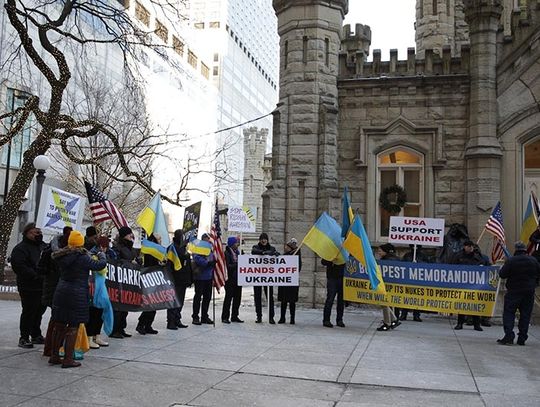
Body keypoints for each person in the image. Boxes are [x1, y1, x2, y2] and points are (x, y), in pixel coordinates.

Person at [48, 230, 107, 368]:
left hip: (61, 291)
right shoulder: (83, 257)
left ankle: (54, 355)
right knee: (73, 326)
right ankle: (68, 359)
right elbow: (99, 265)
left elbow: (54, 247)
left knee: (59, 325)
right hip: (77, 293)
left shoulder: (62, 255)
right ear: (81, 244)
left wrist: (56, 238)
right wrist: (102, 255)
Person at [10, 223, 47, 349]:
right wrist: (34, 275)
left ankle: (36, 334)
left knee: (39, 311)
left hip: (42, 285)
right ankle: (24, 337)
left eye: (39, 232)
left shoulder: (43, 247)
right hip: (29, 286)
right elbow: (19, 266)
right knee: (29, 311)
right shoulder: (21, 249)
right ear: (27, 233)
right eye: (35, 232)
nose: (38, 235)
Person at [497, 241, 540, 345]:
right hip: (529, 292)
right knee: (525, 315)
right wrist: (534, 284)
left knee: (509, 313)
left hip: (514, 291)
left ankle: (509, 336)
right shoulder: (533, 261)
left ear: (516, 249)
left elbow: (502, 274)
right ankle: (522, 338)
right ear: (525, 249)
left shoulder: (512, 261)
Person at [38, 226, 72, 356]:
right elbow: (41, 268)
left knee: (58, 319)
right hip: (53, 286)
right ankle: (51, 349)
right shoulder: (50, 251)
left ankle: (53, 348)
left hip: (60, 286)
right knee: (57, 320)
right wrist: (52, 274)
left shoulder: (69, 251)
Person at [85, 235, 114, 348]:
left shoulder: (103, 254)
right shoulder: (92, 255)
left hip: (101, 286)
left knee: (100, 311)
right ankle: (89, 336)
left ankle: (97, 335)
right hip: (94, 286)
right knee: (93, 312)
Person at [110, 226, 138, 339]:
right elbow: (116, 262)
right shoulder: (117, 247)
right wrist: (129, 262)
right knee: (118, 307)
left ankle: (121, 328)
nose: (131, 236)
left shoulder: (130, 247)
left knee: (126, 306)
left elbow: (133, 258)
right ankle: (114, 329)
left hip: (129, 280)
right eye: (129, 234)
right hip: (119, 280)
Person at [451, 239, 484, 331]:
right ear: (464, 247)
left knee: (475, 305)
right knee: (462, 304)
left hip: (474, 285)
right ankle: (460, 323)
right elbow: (453, 268)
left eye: (471, 246)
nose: (470, 248)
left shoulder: (477, 256)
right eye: (468, 246)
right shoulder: (458, 256)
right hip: (462, 284)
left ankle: (477, 324)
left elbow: (483, 265)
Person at [136, 234, 161, 335]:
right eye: (159, 239)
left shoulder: (157, 251)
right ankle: (141, 324)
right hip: (149, 279)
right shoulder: (150, 251)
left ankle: (148, 325)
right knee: (150, 304)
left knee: (154, 304)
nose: (160, 240)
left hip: (156, 279)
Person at [167, 229, 192, 329]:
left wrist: (190, 279)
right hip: (175, 279)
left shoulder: (184, 248)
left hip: (183, 279)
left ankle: (177, 319)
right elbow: (170, 265)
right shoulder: (172, 248)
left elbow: (188, 265)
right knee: (174, 301)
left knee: (180, 302)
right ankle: (171, 321)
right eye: (182, 236)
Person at [252, 233, 278, 324]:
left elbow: (275, 255)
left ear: (267, 240)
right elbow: (254, 251)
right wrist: (264, 253)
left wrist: (275, 254)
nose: (263, 241)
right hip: (257, 277)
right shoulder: (255, 247)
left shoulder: (272, 248)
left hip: (268, 277)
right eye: (262, 239)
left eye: (265, 239)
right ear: (260, 240)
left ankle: (271, 317)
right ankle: (259, 316)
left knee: (270, 298)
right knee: (257, 297)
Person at [397, 244, 428, 322]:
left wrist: (418, 263)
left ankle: (416, 315)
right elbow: (402, 265)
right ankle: (404, 314)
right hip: (408, 279)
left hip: (418, 280)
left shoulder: (423, 256)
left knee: (417, 298)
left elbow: (428, 266)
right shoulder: (407, 255)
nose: (415, 249)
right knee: (406, 297)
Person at [375, 243, 401, 331]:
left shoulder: (385, 261)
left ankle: (387, 323)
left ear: (385, 252)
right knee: (387, 303)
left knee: (384, 303)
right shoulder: (397, 259)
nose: (378, 253)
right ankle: (393, 320)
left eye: (380, 251)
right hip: (394, 284)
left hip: (386, 285)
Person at [192, 233, 215, 325]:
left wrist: (213, 261)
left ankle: (204, 316)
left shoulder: (210, 248)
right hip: (200, 276)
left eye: (208, 239)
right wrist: (206, 263)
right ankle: (195, 316)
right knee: (198, 297)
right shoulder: (198, 248)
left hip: (208, 276)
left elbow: (212, 257)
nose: (208, 240)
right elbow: (196, 257)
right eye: (206, 239)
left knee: (207, 297)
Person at [278, 238, 301, 324]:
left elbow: (298, 267)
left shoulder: (296, 256)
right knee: (283, 301)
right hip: (284, 281)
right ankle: (282, 318)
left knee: (292, 301)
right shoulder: (284, 256)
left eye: (287, 246)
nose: (285, 247)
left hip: (292, 281)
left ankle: (292, 318)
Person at [221, 236, 243, 323]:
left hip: (238, 279)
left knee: (237, 299)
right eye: (235, 243)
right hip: (230, 279)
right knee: (228, 298)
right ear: (231, 244)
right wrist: (237, 264)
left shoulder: (238, 252)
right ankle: (225, 316)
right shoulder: (227, 253)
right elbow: (228, 266)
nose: (237, 245)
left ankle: (235, 316)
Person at [321, 258, 345, 328]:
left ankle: (339, 320)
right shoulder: (330, 251)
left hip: (342, 277)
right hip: (332, 277)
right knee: (330, 299)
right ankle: (326, 320)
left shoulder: (345, 251)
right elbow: (323, 262)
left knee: (341, 300)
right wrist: (331, 260)